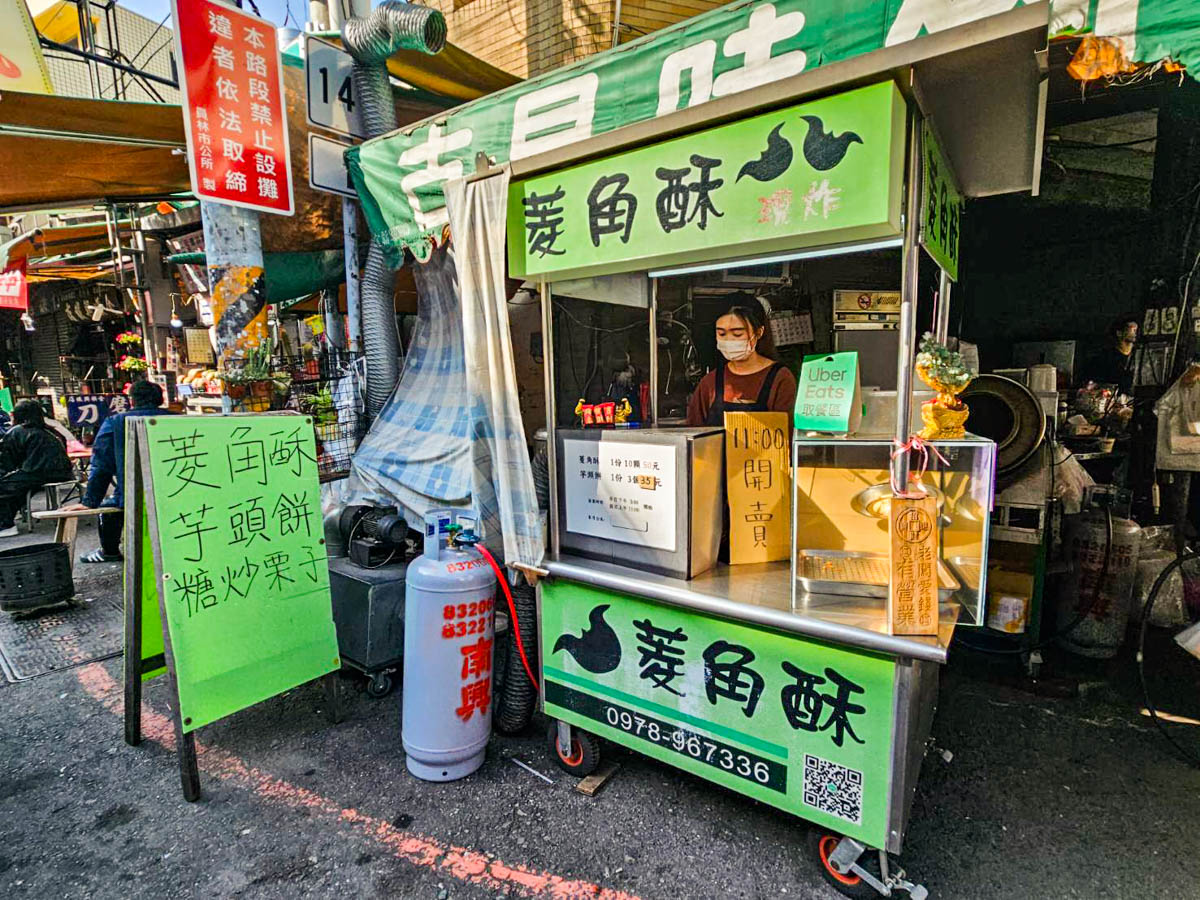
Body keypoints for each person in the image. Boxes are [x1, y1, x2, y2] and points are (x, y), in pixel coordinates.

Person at [62, 380, 176, 562]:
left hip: (132, 493)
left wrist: (90, 501)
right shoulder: (177, 419)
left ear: (131, 401)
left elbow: (101, 465)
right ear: (160, 399)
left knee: (107, 508)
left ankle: (109, 552)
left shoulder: (115, 422)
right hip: (177, 489)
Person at [687, 296, 798, 426]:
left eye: (737, 334)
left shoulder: (780, 379)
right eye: (722, 334)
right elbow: (694, 431)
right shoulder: (710, 382)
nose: (729, 340)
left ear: (758, 332)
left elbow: (787, 433)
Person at [0, 400, 74, 537]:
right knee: (16, 485)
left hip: (36, 472)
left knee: (5, 486)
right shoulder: (51, 429)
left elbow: (7, 460)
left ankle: (5, 525)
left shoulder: (17, 431)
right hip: (64, 472)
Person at [1088, 314, 1139, 394]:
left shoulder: (1139, 356)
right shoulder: (1105, 358)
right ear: (1119, 333)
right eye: (1132, 329)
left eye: (1136, 329)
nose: (1136, 332)